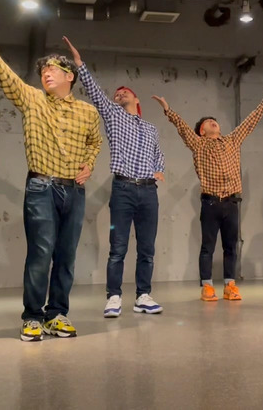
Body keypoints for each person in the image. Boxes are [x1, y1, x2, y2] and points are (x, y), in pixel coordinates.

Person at [0, 7, 102, 342]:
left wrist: (89, 164)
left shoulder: (88, 112)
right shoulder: (32, 100)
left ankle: (57, 314)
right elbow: (2, 72)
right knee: (41, 252)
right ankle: (33, 317)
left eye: (53, 70)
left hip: (74, 191)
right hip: (41, 187)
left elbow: (94, 142)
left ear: (70, 76)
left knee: (66, 255)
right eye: (43, 71)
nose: (46, 74)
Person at [63, 37, 166, 317]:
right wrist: (79, 63)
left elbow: (158, 154)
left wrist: (159, 170)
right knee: (118, 247)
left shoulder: (151, 128)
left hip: (149, 192)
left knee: (147, 248)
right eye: (117, 93)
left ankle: (143, 295)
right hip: (123, 189)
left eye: (125, 92)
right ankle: (114, 297)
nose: (119, 94)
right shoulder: (113, 115)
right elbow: (96, 92)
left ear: (137, 100)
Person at [151, 92, 263, 301]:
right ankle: (207, 286)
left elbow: (248, 124)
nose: (213, 122)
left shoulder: (232, 141)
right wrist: (167, 109)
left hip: (231, 202)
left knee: (230, 247)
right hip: (211, 202)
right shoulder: (199, 144)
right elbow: (182, 128)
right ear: (202, 131)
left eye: (215, 121)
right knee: (208, 247)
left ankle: (230, 285)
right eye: (208, 122)